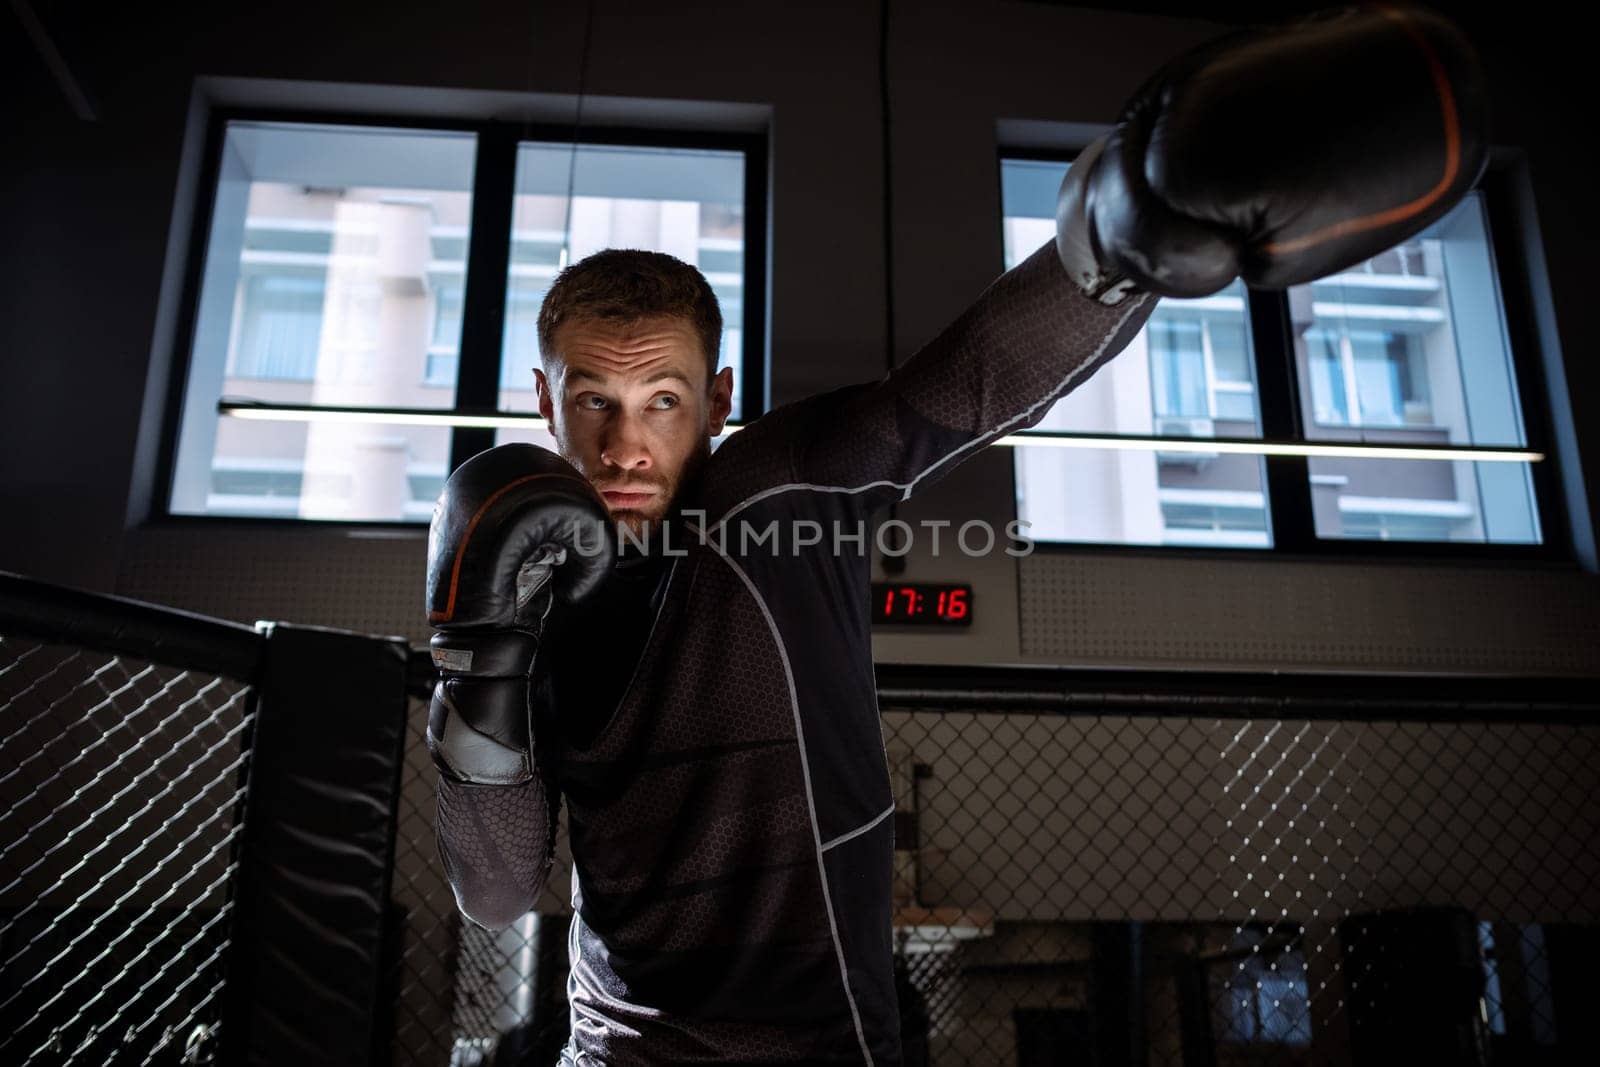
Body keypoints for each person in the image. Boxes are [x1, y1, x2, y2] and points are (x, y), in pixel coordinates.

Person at [422, 5, 1488, 1064]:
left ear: (718, 398)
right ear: (543, 403)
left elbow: (959, 389)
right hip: (614, 1053)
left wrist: (1116, 246)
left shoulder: (780, 488)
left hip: (822, 1048)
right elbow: (501, 888)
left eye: (661, 398)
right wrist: (480, 672)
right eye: (593, 400)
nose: (623, 445)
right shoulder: (524, 582)